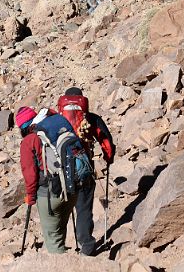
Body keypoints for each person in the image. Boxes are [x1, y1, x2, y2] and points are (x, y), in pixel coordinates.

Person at [56, 87, 116, 256]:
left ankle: (58, 248)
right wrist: (108, 158)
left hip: (61, 171)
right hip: (83, 170)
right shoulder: (91, 119)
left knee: (61, 209)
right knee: (83, 209)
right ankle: (87, 245)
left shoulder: (56, 120)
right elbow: (107, 142)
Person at [16, 105, 77, 254]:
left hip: (50, 193)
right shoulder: (55, 128)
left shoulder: (29, 141)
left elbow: (30, 174)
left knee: (53, 240)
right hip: (71, 186)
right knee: (61, 228)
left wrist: (30, 196)